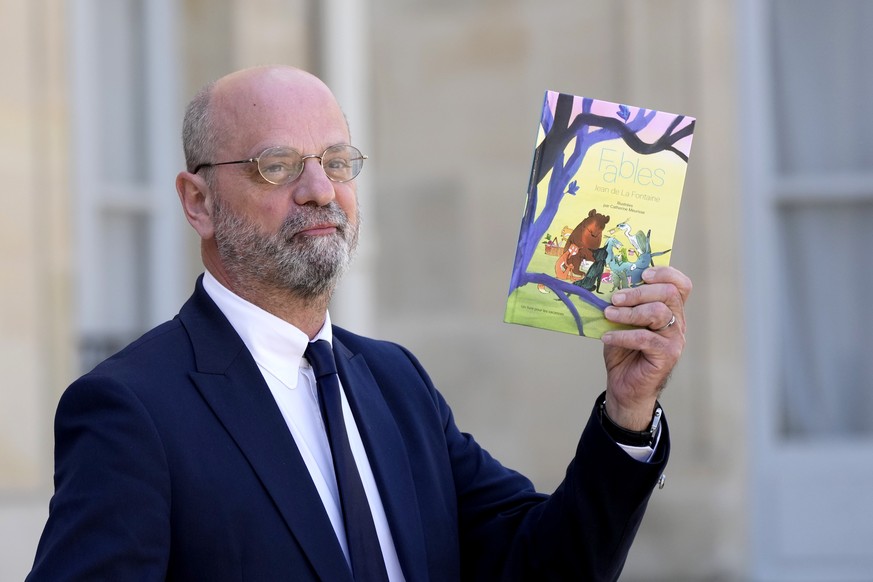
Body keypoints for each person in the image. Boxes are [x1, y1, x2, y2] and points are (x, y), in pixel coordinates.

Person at [28, 65, 692, 581]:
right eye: (277, 165)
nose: (320, 189)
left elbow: (544, 563)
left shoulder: (393, 380)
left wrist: (625, 413)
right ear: (198, 202)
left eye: (337, 161)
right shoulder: (131, 409)